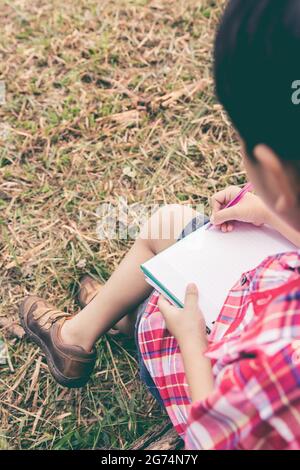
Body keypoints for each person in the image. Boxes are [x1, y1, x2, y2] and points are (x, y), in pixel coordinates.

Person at [19, 0, 300, 449]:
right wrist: (269, 212)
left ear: (270, 171)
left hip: (203, 373)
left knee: (164, 250)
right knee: (173, 228)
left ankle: (86, 334)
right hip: (253, 299)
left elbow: (221, 438)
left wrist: (190, 339)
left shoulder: (280, 352)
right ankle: (119, 316)